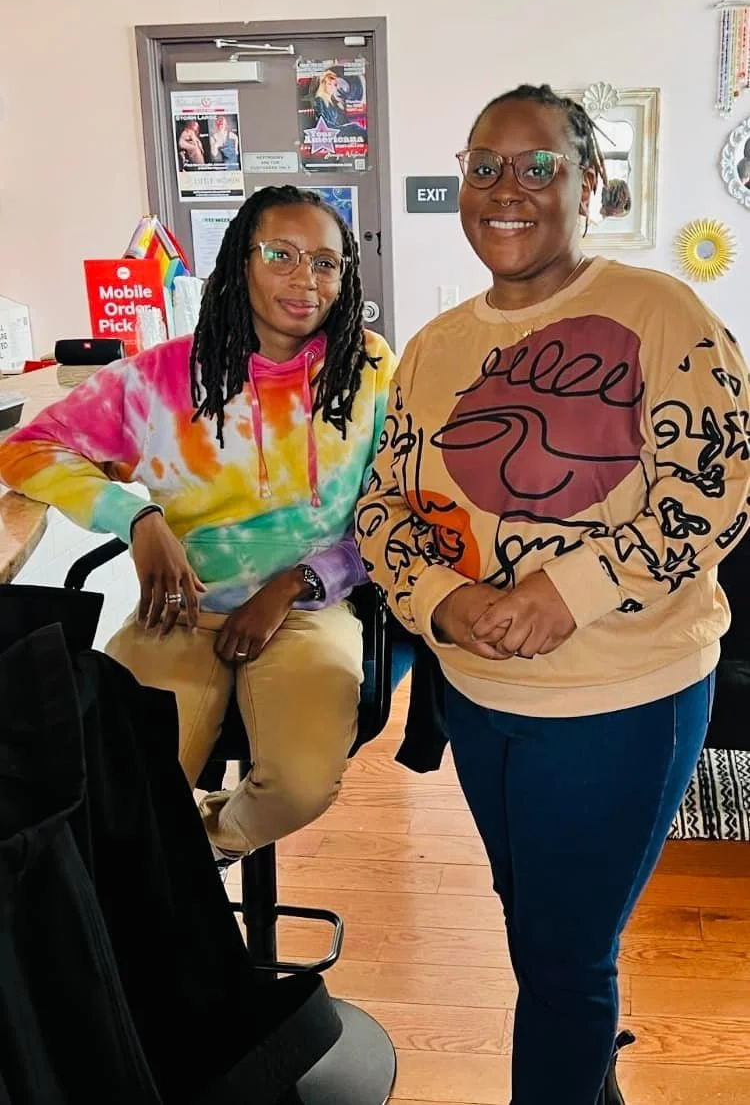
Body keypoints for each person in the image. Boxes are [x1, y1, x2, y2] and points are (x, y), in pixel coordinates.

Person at [355, 84, 750, 1105]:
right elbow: (382, 509)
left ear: (594, 183)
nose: (507, 188)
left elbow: (717, 485)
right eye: (485, 165)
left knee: (568, 961)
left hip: (626, 697)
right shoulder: (435, 349)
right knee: (538, 924)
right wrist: (443, 600)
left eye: (541, 166)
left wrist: (566, 590)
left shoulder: (658, 310)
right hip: (482, 702)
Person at [0, 185, 396, 860]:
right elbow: (26, 449)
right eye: (282, 255)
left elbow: (390, 507)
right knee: (114, 787)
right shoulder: (158, 377)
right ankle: (153, 890)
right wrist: (139, 518)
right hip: (179, 605)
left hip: (308, 606)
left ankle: (193, 861)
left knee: (298, 787)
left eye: (326, 263)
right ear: (241, 261)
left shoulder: (369, 369)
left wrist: (297, 582)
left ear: (347, 275)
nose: (306, 280)